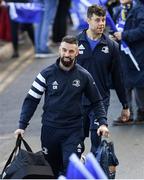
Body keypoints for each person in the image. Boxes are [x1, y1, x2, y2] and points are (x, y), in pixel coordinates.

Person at [14, 35, 109, 178]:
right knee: (51, 170)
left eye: (71, 51)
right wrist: (22, 125)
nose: (67, 54)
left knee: (70, 168)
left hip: (74, 131)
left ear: (77, 52)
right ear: (59, 50)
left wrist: (102, 122)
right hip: (50, 131)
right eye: (64, 50)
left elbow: (97, 101)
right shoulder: (45, 74)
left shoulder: (84, 76)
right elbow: (32, 100)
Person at [76, 5, 130, 155]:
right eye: (97, 20)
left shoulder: (111, 46)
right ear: (88, 20)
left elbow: (118, 78)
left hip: (99, 101)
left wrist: (125, 105)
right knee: (77, 144)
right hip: (78, 101)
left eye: (103, 20)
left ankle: (94, 175)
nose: (101, 23)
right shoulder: (75, 43)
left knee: (96, 140)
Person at [112, 0, 144, 124]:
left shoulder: (140, 9)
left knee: (140, 85)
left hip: (137, 54)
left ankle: (142, 112)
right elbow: (114, 28)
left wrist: (124, 35)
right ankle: (127, 112)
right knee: (124, 83)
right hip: (123, 54)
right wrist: (112, 36)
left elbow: (142, 30)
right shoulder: (119, 10)